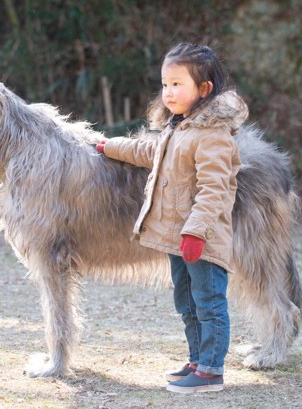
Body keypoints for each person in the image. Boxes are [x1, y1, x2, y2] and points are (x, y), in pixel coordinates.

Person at [96, 42, 248, 393]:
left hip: (202, 240)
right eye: (165, 84)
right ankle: (197, 359)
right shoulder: (179, 128)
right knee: (187, 301)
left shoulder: (213, 136)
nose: (168, 92)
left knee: (208, 302)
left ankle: (212, 370)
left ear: (204, 89)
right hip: (177, 239)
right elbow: (150, 152)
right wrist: (110, 146)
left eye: (177, 83)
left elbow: (215, 190)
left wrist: (196, 233)